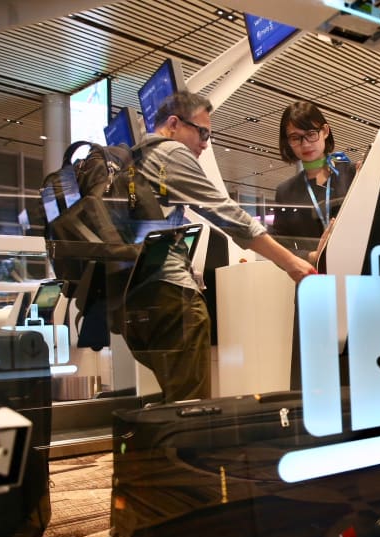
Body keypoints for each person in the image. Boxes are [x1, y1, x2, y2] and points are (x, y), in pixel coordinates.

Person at [122, 90, 314, 403]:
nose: (205, 142)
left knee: (174, 399)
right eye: (202, 132)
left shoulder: (137, 158)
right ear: (173, 124)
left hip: (136, 297)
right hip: (171, 296)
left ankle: (164, 451)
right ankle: (184, 452)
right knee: (190, 404)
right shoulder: (170, 152)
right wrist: (290, 262)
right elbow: (227, 215)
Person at [273, 100, 357, 264]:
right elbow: (278, 245)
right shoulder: (285, 191)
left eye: (311, 134)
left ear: (325, 131)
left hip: (356, 274)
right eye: (295, 137)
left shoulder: (353, 174)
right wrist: (310, 257)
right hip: (311, 277)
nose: (305, 144)